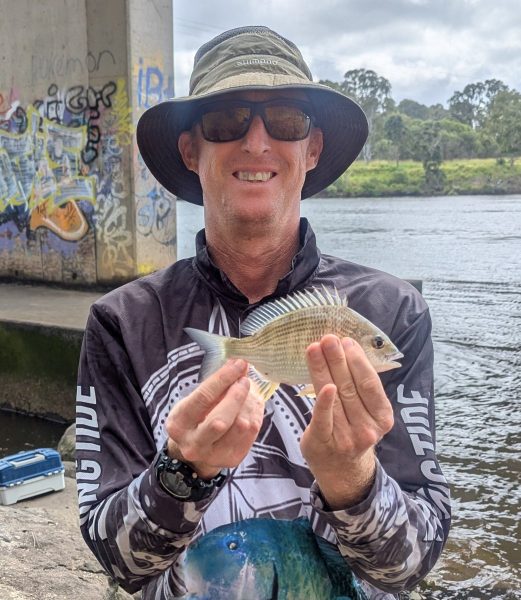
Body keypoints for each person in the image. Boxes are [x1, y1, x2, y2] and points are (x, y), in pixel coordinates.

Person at [76, 26, 451, 599]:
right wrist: (181, 474)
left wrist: (353, 479)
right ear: (190, 150)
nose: (256, 141)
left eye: (285, 119)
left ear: (312, 148)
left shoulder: (394, 312)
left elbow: (411, 565)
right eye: (226, 120)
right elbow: (117, 561)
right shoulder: (121, 324)